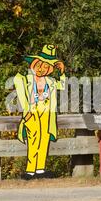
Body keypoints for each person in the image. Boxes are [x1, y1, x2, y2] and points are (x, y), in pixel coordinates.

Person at [14, 45, 66, 180]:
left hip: (47, 114)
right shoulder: (26, 79)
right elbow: (19, 88)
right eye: (40, 65)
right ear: (34, 64)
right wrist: (27, 113)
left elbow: (63, 85)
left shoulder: (51, 81)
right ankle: (30, 171)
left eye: (47, 66)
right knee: (33, 141)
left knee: (44, 139)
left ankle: (40, 169)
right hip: (32, 112)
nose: (42, 69)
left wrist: (62, 72)